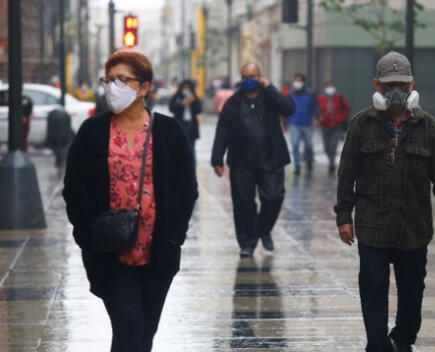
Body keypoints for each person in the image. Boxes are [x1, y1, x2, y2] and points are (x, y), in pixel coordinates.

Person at [62, 50, 198, 352]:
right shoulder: (92, 131)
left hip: (158, 248)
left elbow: (186, 186)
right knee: (128, 326)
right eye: (108, 80)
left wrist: (175, 235)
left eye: (123, 80)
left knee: (145, 332)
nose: (113, 88)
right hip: (109, 249)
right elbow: (74, 187)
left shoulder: (170, 131)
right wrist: (86, 234)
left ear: (145, 87)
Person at [334, 51, 435, 352]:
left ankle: (402, 339)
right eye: (389, 84)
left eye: (402, 85)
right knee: (373, 288)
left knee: (411, 295)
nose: (396, 91)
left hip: (413, 227)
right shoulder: (361, 124)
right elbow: (346, 174)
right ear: (377, 85)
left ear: (412, 85)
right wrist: (344, 216)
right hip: (372, 225)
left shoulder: (428, 126)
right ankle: (378, 345)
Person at [211, 63, 295, 258]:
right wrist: (217, 158)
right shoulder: (232, 103)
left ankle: (263, 229)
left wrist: (271, 88)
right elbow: (222, 130)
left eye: (253, 76)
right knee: (243, 203)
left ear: (260, 77)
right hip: (242, 162)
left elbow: (289, 109)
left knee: (273, 197)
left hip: (271, 159)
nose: (249, 79)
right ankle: (247, 243)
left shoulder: (270, 97)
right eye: (245, 76)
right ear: (241, 78)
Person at [286, 73, 317, 175]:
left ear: (303, 82)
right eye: (296, 81)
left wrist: (317, 118)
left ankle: (309, 161)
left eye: (299, 81)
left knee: (309, 145)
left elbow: (315, 107)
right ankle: (297, 166)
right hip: (294, 123)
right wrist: (285, 122)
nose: (297, 83)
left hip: (307, 123)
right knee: (295, 145)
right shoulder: (290, 94)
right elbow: (286, 108)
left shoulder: (310, 94)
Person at [318, 81, 351, 174]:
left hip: (337, 125)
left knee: (333, 144)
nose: (330, 89)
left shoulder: (339, 97)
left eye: (331, 87)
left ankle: (331, 163)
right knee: (326, 146)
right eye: (328, 87)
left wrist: (341, 117)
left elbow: (347, 108)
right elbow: (317, 110)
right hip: (325, 125)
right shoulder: (321, 98)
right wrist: (320, 119)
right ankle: (330, 160)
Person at [169, 80, 203, 151]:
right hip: (179, 123)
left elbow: (199, 110)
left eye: (188, 88)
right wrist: (181, 104)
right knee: (179, 146)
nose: (186, 89)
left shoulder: (194, 97)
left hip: (191, 124)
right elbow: (171, 108)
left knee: (191, 147)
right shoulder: (177, 96)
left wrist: (193, 102)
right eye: (185, 88)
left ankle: (191, 161)